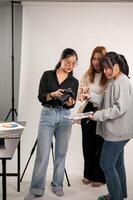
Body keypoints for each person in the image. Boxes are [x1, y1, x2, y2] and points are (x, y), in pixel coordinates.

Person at [25, 48, 79, 200]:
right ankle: (36, 188)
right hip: (47, 115)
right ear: (61, 59)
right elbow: (40, 96)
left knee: (61, 153)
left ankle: (57, 185)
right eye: (67, 62)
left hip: (65, 117)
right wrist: (52, 95)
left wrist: (70, 102)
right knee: (43, 154)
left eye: (73, 63)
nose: (70, 65)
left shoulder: (74, 81)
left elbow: (71, 105)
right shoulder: (47, 75)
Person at [87, 52, 133, 200]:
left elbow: (118, 109)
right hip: (117, 131)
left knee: (106, 164)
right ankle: (120, 194)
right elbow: (105, 100)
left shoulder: (122, 82)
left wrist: (97, 116)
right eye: (104, 68)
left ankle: (116, 197)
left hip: (118, 132)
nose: (105, 71)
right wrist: (90, 96)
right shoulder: (114, 80)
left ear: (117, 66)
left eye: (108, 68)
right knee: (117, 164)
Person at [79, 46, 108, 187]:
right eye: (94, 58)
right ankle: (88, 174)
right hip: (88, 109)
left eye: (99, 59)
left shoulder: (108, 76)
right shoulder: (87, 75)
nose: (96, 62)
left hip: (101, 111)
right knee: (87, 144)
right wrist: (81, 93)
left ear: (104, 60)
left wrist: (90, 95)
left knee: (100, 145)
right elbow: (81, 94)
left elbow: (105, 98)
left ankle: (99, 177)